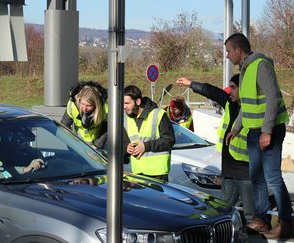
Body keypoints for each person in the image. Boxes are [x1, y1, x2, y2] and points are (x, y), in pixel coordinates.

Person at [224, 33, 293, 239]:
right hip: (254, 132)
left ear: (238, 50)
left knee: (272, 178)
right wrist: (236, 128)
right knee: (257, 178)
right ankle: (262, 220)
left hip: (267, 131)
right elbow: (247, 105)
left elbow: (272, 98)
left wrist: (267, 130)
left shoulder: (261, 65)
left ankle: (286, 223)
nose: (227, 56)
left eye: (228, 51)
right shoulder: (245, 69)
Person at [176, 74, 254, 225]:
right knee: (224, 210)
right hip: (229, 167)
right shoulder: (230, 103)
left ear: (244, 89)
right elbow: (211, 91)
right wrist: (191, 83)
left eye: (233, 87)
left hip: (246, 168)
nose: (229, 91)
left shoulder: (254, 108)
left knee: (251, 214)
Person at [123, 85, 175, 181]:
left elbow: (169, 141)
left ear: (138, 102)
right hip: (137, 174)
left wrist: (146, 146)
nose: (124, 107)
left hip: (158, 174)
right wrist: (126, 147)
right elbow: (122, 141)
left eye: (127, 103)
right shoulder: (125, 118)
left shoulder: (158, 114)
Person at [61, 81, 108, 149]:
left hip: (98, 146)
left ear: (96, 104)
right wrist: (72, 142)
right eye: (82, 104)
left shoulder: (105, 108)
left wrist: (97, 145)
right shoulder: (72, 105)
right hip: (77, 145)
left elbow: (107, 129)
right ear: (79, 100)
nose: (84, 108)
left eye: (88, 105)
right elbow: (64, 124)